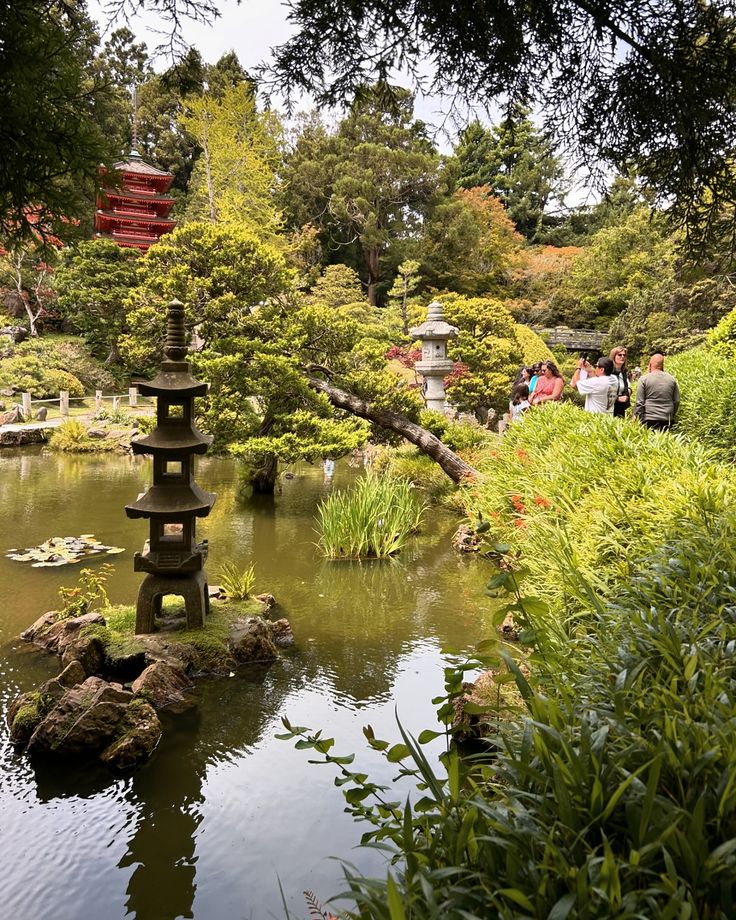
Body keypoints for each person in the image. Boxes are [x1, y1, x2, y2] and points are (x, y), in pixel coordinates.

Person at [634, 352, 680, 429]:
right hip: (667, 418)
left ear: (650, 364)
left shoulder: (644, 379)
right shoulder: (672, 379)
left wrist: (637, 418)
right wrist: (672, 414)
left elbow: (640, 402)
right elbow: (676, 401)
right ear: (662, 365)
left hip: (648, 418)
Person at [609, 346, 631, 418]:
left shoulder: (624, 372)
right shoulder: (608, 372)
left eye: (624, 355)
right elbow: (602, 391)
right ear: (613, 356)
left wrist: (629, 390)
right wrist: (617, 398)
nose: (622, 357)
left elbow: (626, 386)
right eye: (619, 355)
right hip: (609, 408)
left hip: (621, 408)